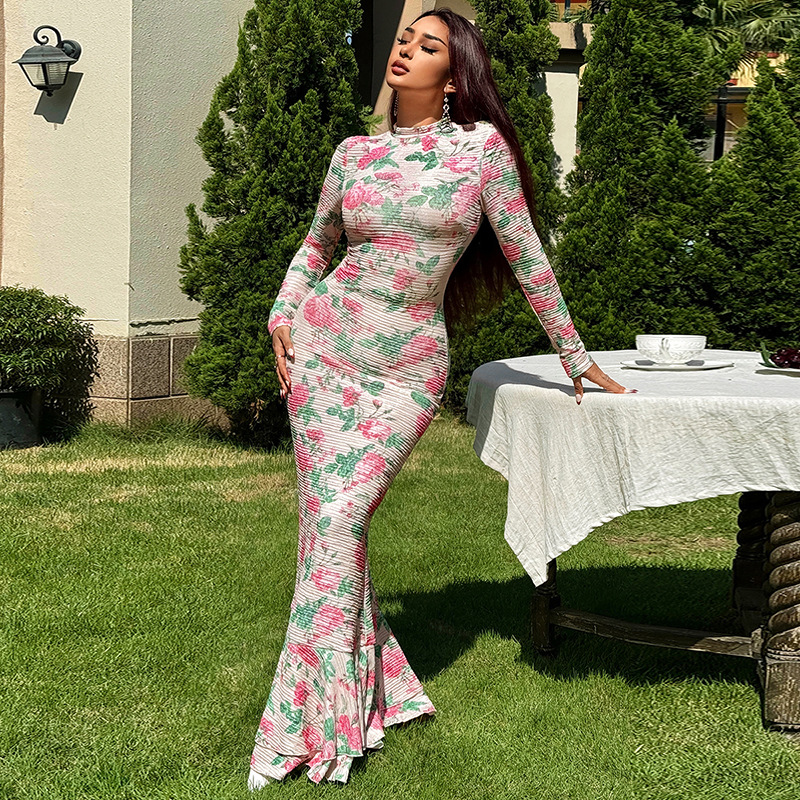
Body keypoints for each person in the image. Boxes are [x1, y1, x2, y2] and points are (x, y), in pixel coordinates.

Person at [248, 8, 635, 790]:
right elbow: (317, 246)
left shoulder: (479, 152)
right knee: (329, 532)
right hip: (323, 353)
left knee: (339, 521)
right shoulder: (353, 154)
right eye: (403, 40)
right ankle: (340, 712)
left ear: (453, 77)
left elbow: (528, 258)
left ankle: (323, 718)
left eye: (427, 46)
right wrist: (283, 312)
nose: (405, 52)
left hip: (406, 373)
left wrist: (575, 356)